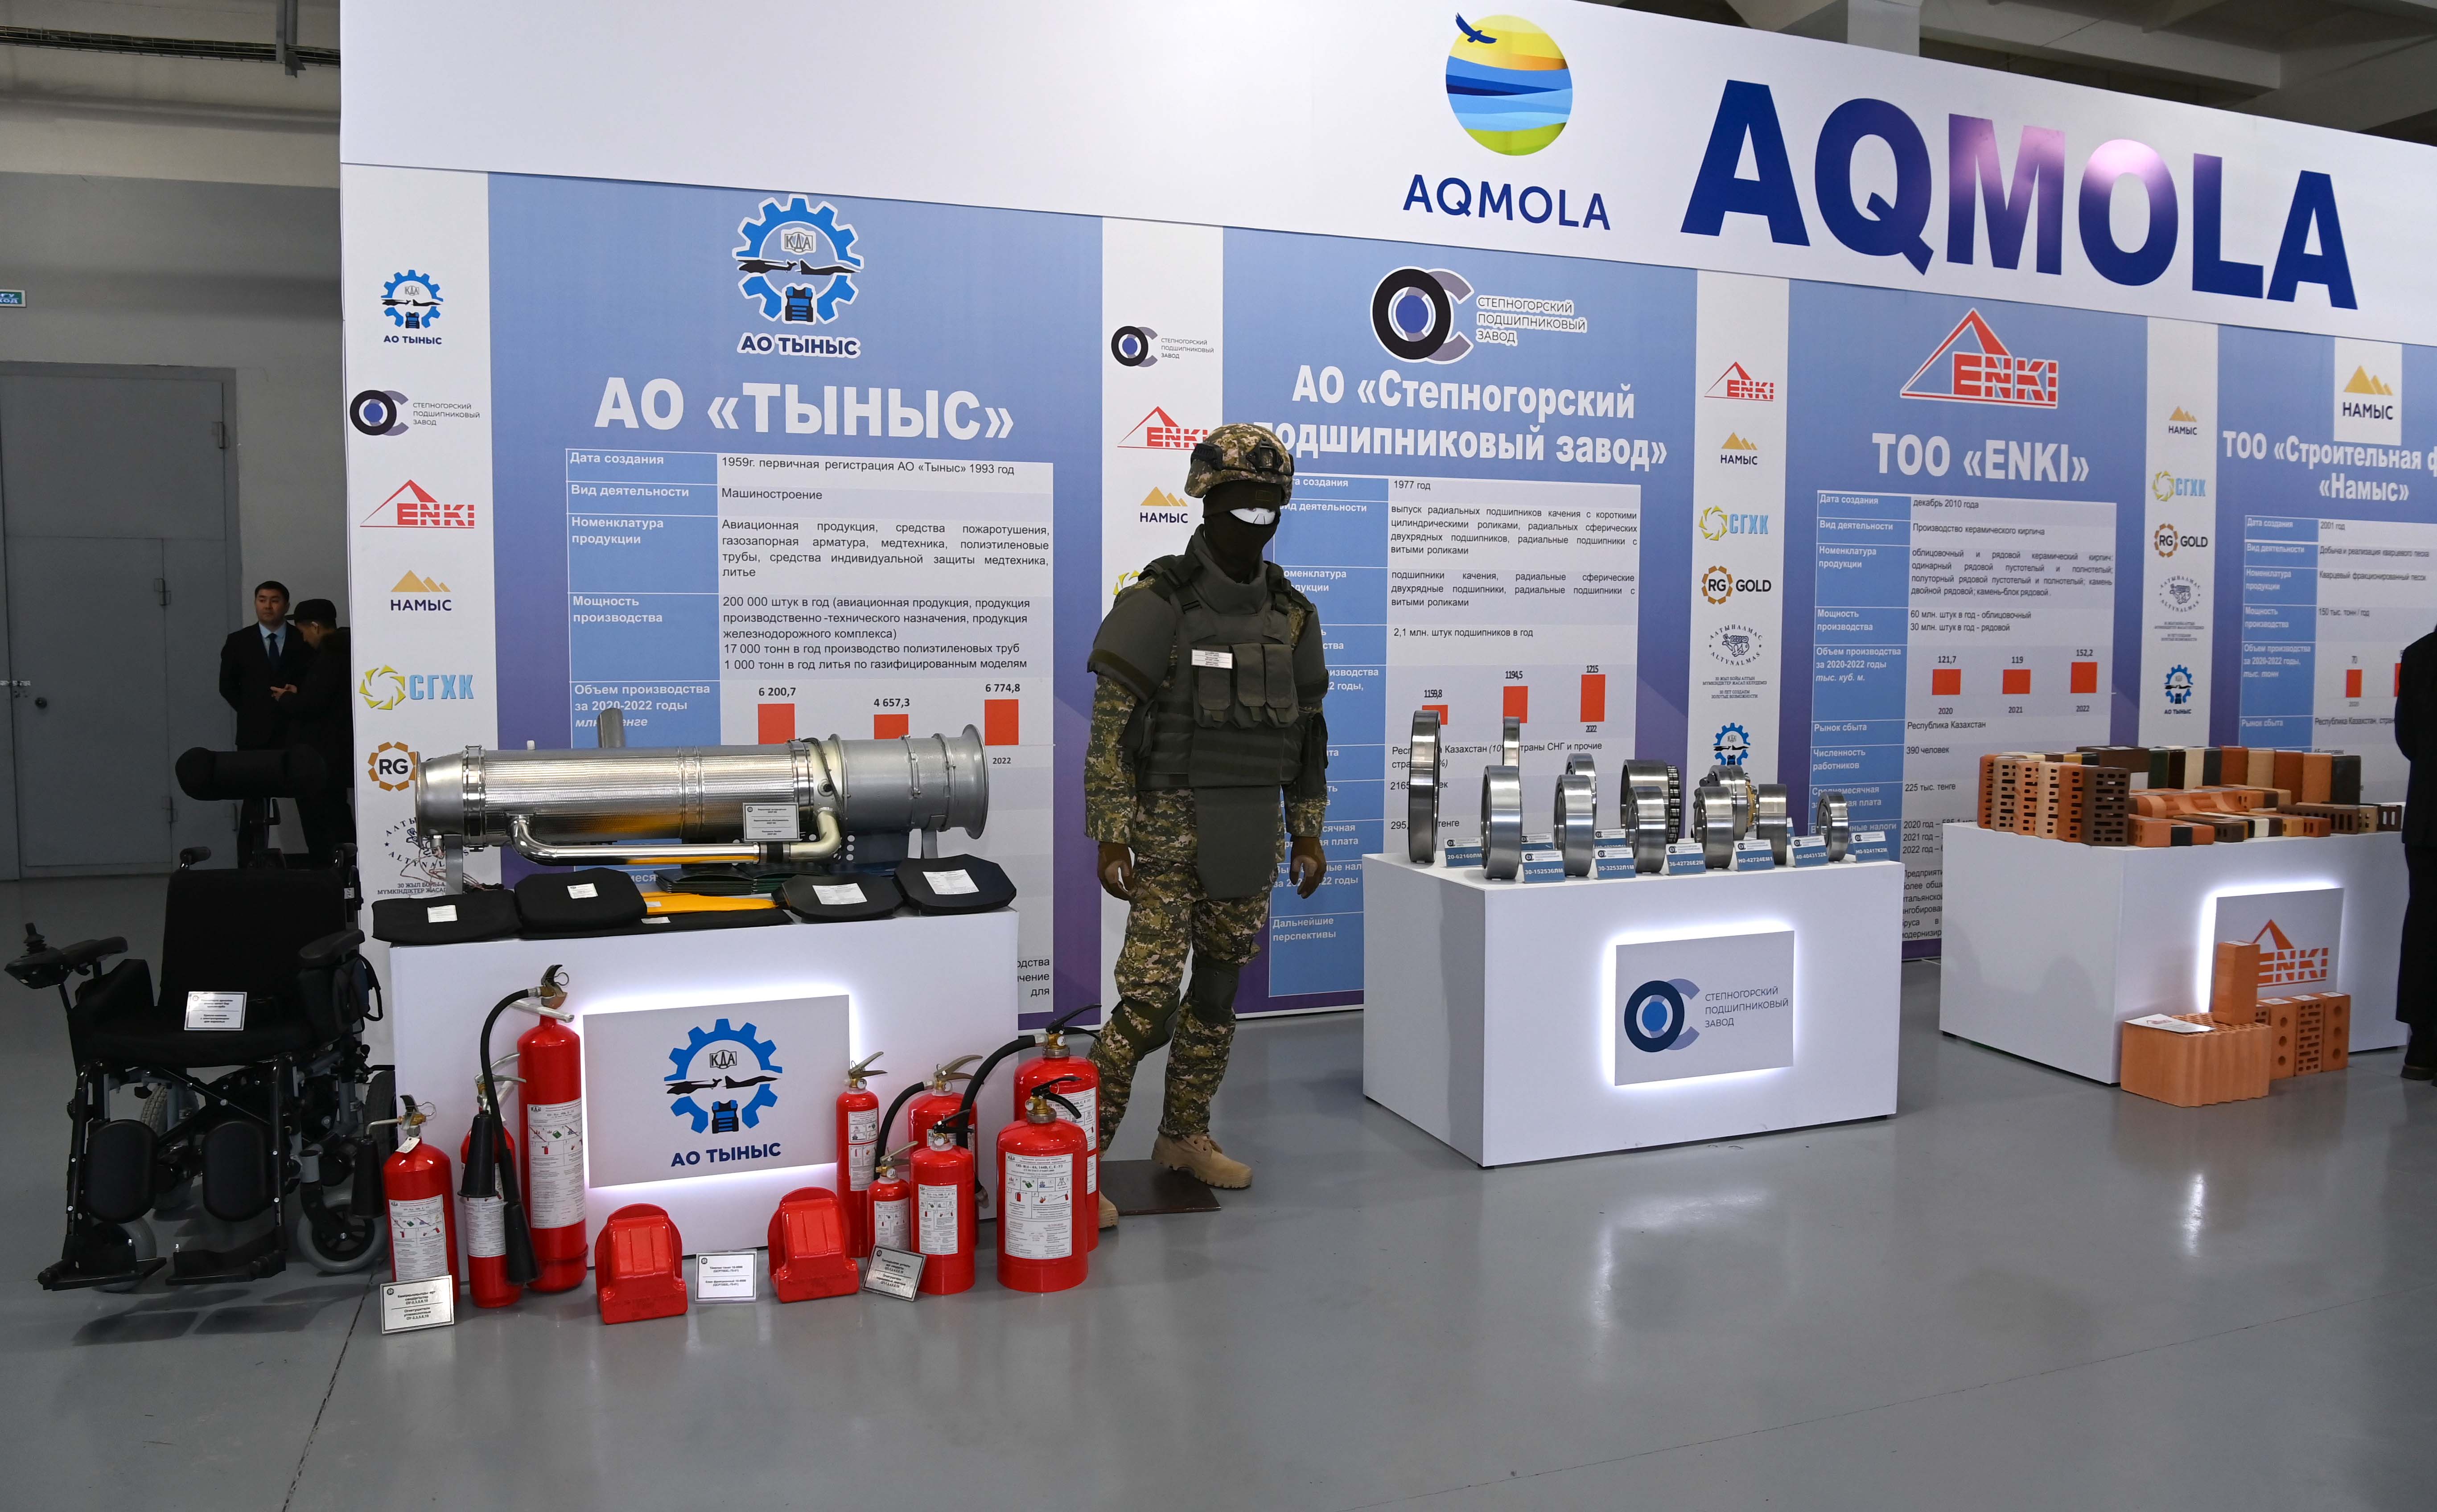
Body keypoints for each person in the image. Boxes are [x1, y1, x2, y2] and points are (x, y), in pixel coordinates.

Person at [1083, 423, 1329, 1228]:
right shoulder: (1157, 603)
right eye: (1240, 504)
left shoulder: (1292, 617)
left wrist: (1307, 831)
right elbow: (1111, 733)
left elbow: (1308, 738)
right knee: (1147, 1007)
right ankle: (1077, 1163)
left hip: (1249, 833)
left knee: (1219, 994)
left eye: (1269, 506)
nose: (1255, 520)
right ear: (1206, 502)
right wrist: (1111, 832)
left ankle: (1183, 1135)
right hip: (1165, 836)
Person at [218, 581, 312, 864]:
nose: (268, 606)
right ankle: (248, 865)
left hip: (296, 730)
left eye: (274, 600)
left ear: (286, 605)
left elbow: (312, 683)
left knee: (310, 799)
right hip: (254, 733)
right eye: (262, 600)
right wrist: (252, 711)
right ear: (255, 603)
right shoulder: (238, 641)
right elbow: (227, 686)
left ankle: (321, 863)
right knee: (253, 803)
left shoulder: (302, 639)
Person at [284, 599, 354, 867]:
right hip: (339, 751)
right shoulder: (349, 650)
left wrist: (287, 699)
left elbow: (314, 704)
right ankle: (347, 867)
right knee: (338, 812)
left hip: (322, 753)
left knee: (321, 818)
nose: (304, 639)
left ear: (314, 627)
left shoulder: (330, 656)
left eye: (303, 631)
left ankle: (328, 871)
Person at [2398, 624, 2435, 1078]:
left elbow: (2408, 740)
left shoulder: (2418, 654)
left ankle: (2422, 1048)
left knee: (2425, 929)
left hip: (2427, 818)